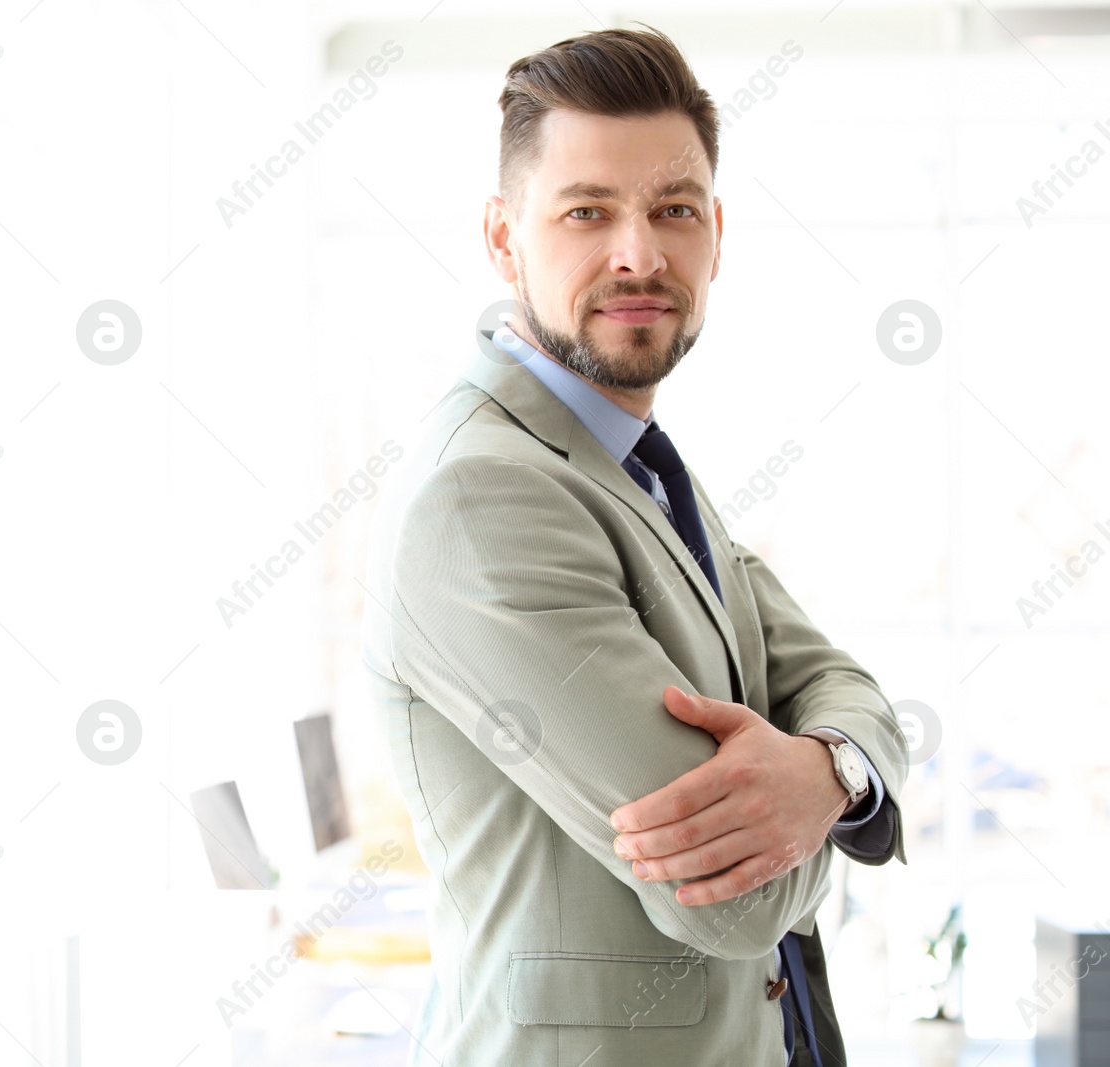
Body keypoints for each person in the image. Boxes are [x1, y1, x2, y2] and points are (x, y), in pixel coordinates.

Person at [359, 25, 908, 1066]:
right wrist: (817, 786)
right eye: (585, 212)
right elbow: (734, 900)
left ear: (715, 232)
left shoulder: (640, 462)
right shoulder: (483, 496)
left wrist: (827, 770)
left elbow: (831, 674)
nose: (638, 255)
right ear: (501, 236)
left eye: (672, 211)